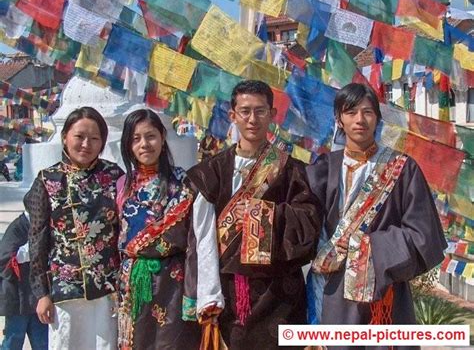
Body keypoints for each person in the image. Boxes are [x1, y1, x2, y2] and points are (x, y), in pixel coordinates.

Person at [306, 83, 447, 349]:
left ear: (378, 119)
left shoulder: (403, 169)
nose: (360, 119)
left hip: (386, 295)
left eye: (367, 112)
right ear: (339, 119)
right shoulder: (322, 169)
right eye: (350, 112)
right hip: (333, 292)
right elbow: (303, 225)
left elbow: (424, 236)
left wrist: (370, 249)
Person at [186, 80, 321, 349]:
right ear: (232, 115)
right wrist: (209, 296)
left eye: (260, 111)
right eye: (245, 111)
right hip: (232, 293)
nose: (252, 119)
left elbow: (309, 222)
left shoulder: (292, 170)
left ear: (273, 115)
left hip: (281, 293)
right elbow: (203, 239)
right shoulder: (210, 172)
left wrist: (261, 215)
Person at [25, 107, 123, 349]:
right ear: (64, 137)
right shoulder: (47, 180)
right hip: (63, 292)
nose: (86, 144)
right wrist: (42, 294)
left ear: (102, 142)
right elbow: (37, 239)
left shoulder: (115, 177)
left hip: (108, 290)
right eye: (79, 136)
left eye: (94, 138)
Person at [116, 109, 200, 349]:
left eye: (150, 136)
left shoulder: (184, 183)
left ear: (163, 138)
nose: (144, 144)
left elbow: (194, 239)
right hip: (131, 281)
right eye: (136, 138)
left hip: (172, 282)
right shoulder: (122, 185)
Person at [0, 201, 48, 350]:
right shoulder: (16, 228)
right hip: (17, 299)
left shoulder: (43, 227)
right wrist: (32, 249)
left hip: (37, 297)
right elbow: (5, 259)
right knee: (13, 340)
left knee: (43, 343)